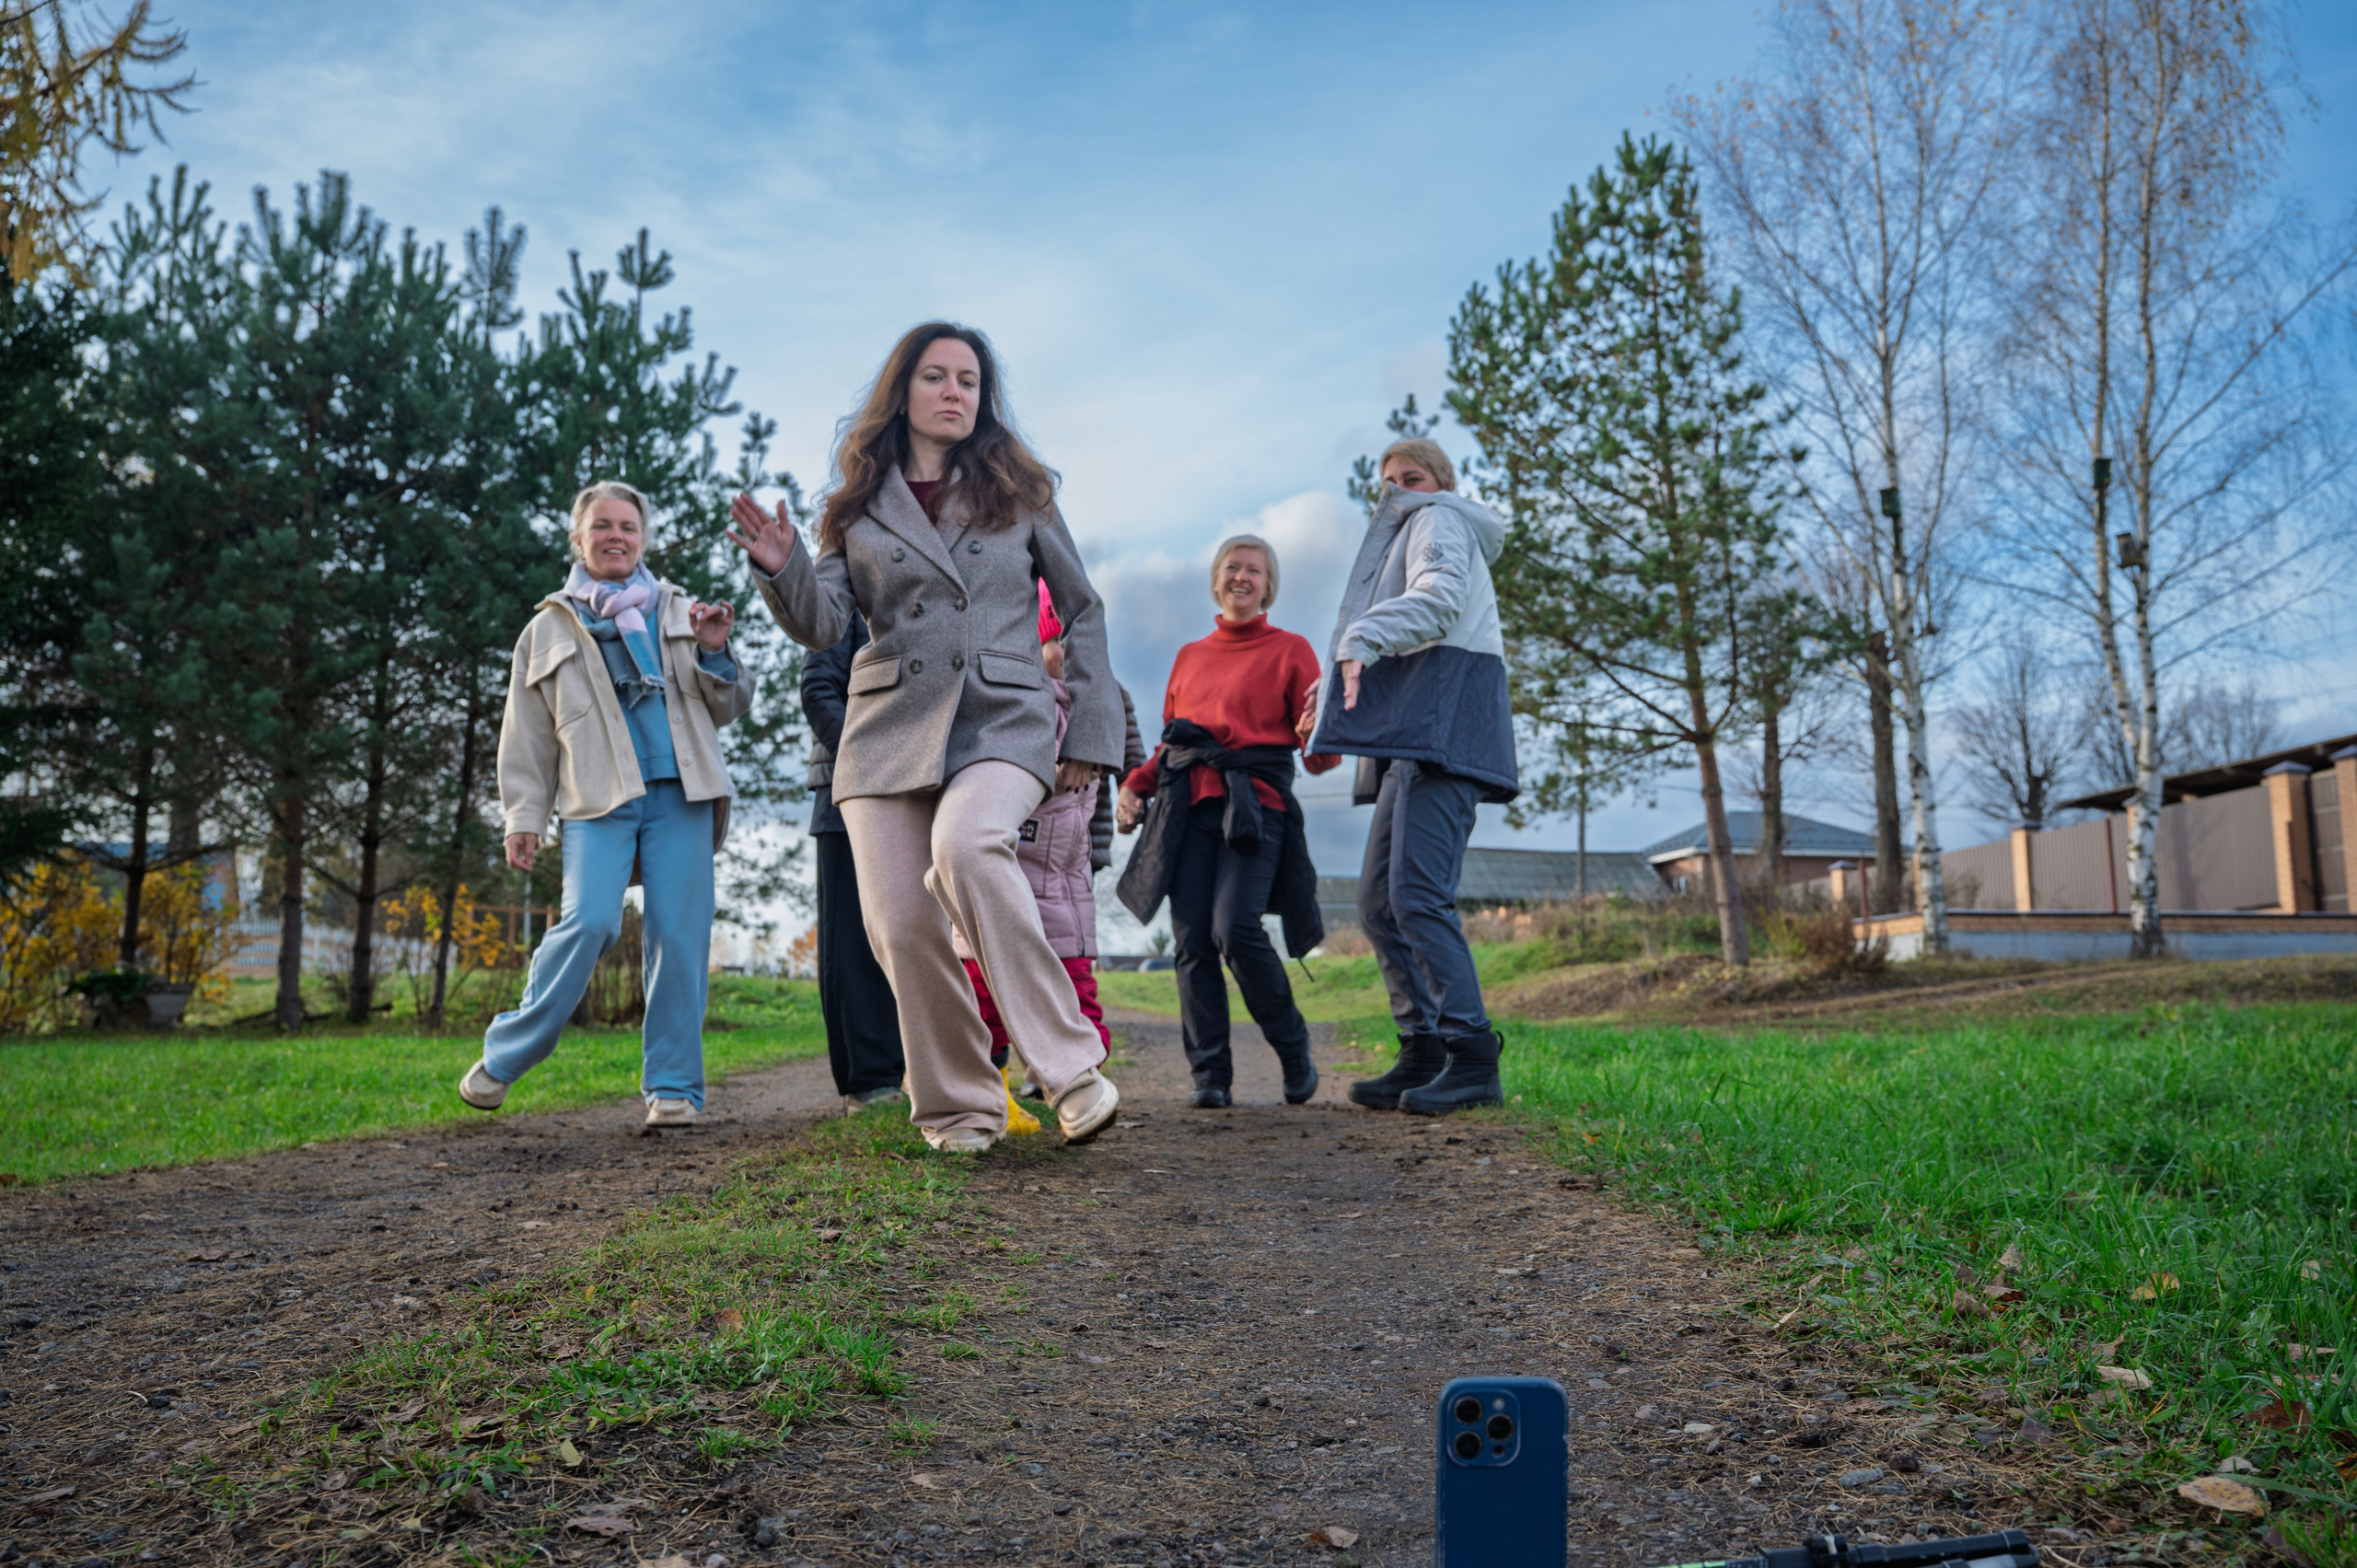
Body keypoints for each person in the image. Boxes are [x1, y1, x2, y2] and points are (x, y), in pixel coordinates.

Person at [726, 321, 1124, 1155]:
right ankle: (959, 1109)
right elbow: (826, 621)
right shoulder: (858, 507)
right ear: (901, 391)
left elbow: (1080, 608)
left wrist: (1090, 727)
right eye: (937, 376)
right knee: (902, 925)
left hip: (1001, 718)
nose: (955, 391)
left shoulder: (1022, 490)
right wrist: (781, 566)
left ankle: (1072, 1069)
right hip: (889, 730)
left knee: (970, 847)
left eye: (970, 380)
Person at [465, 481, 750, 1127]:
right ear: (579, 538)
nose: (615, 536)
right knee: (590, 922)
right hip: (597, 800)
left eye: (627, 525)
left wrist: (713, 651)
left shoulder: (680, 609)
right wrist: (523, 817)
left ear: (643, 537)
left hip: (681, 793)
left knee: (678, 934)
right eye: (602, 526)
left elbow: (730, 705)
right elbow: (527, 736)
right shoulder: (546, 629)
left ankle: (673, 1086)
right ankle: (510, 1051)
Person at [1303, 439, 1517, 1116]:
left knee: (1418, 894)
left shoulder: (1439, 520)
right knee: (1377, 900)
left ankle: (1472, 1054)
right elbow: (1396, 626)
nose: (1399, 488)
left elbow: (1440, 599)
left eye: (1413, 476)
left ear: (1442, 483)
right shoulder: (1409, 530)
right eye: (1389, 480)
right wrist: (1332, 681)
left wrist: (1359, 638)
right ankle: (1421, 1046)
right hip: (1412, 730)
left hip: (1446, 722)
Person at [1116, 534, 1336, 1109]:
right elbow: (1174, 744)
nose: (1242, 577)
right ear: (1216, 579)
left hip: (1256, 807)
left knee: (1233, 928)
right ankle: (1210, 1075)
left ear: (1269, 587)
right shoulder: (1189, 656)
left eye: (1254, 571)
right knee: (1191, 942)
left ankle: (1293, 1047)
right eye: (1232, 568)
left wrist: (1319, 735)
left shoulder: (1292, 650)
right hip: (1186, 810)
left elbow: (1318, 751)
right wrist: (1134, 787)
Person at [956, 583, 1111, 1074]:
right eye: (1052, 641)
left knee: (1074, 997)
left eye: (1069, 643)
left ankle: (1079, 1081)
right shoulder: (1014, 703)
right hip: (1004, 885)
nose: (1062, 654)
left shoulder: (1091, 709)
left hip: (1062, 895)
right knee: (982, 1005)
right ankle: (984, 1090)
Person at [803, 611, 909, 1107]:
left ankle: (916, 1069)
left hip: (918, 786)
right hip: (846, 787)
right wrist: (874, 757)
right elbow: (818, 689)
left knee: (909, 932)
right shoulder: (841, 603)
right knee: (852, 941)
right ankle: (871, 1080)